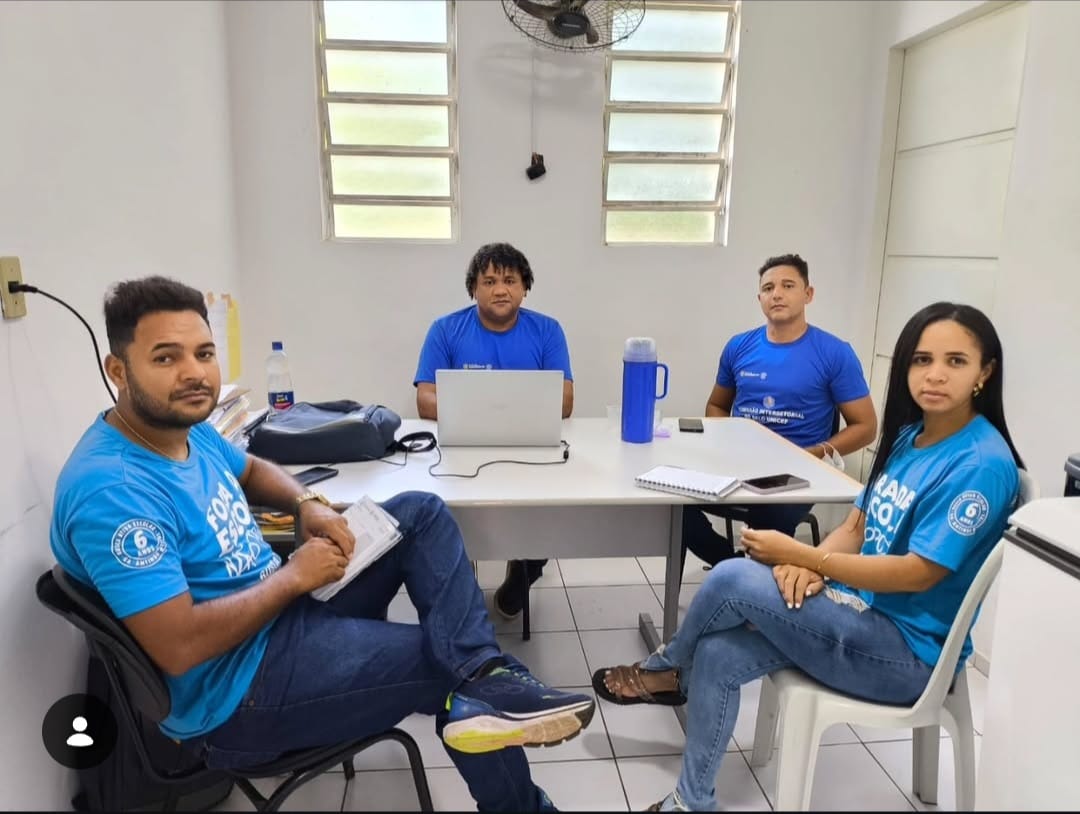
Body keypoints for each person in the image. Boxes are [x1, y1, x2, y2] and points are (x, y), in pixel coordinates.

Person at [50, 276, 595, 812]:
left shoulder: (183, 429)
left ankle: (484, 675)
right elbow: (179, 645)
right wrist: (293, 577)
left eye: (204, 353)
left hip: (282, 615)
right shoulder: (115, 491)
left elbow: (251, 470)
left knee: (421, 512)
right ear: (118, 370)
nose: (193, 372)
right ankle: (512, 777)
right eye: (166, 358)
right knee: (440, 662)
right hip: (238, 692)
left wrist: (306, 504)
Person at [593, 302, 1023, 811]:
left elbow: (917, 573)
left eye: (955, 361)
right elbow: (855, 527)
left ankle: (665, 670)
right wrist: (806, 563)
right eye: (921, 359)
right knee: (719, 653)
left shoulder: (981, 463)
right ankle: (692, 801)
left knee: (732, 577)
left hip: (906, 656)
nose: (934, 375)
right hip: (856, 612)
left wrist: (807, 558)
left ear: (984, 372)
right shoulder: (912, 436)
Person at [686, 253, 877, 567]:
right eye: (768, 288)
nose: (777, 294)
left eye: (788, 286)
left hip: (796, 474)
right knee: (673, 503)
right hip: (740, 465)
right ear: (759, 298)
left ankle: (750, 574)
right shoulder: (738, 347)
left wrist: (815, 453)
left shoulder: (835, 353)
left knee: (769, 514)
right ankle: (730, 564)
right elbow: (717, 405)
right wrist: (727, 442)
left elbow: (866, 427)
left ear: (808, 294)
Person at [414, 242, 573, 620]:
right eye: (488, 281)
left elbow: (565, 401)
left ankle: (523, 572)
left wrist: (481, 409)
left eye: (510, 281)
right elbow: (425, 400)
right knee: (447, 518)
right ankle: (460, 582)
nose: (500, 290)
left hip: (532, 451)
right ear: (473, 289)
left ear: (524, 288)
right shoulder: (445, 329)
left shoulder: (547, 331)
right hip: (461, 452)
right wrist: (490, 411)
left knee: (551, 513)